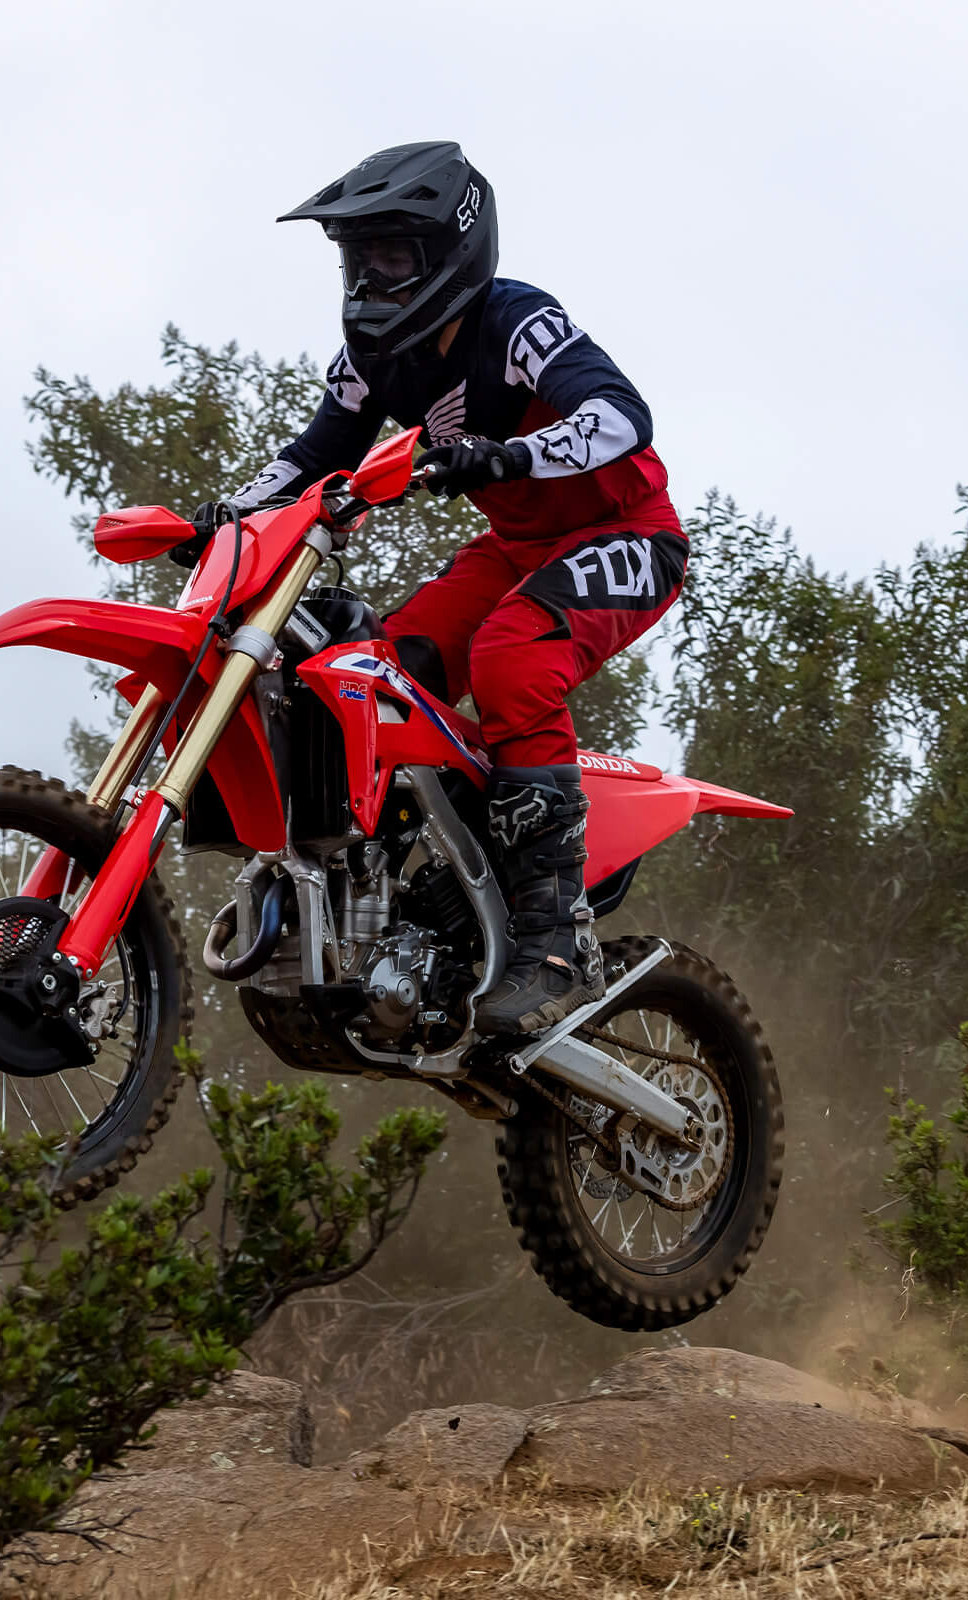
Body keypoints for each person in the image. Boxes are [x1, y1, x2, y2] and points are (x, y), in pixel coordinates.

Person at [192, 140, 685, 1035]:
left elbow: (621, 415)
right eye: (357, 259)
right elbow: (313, 457)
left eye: (390, 257)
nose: (369, 279)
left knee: (510, 654)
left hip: (628, 533)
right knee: (379, 671)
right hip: (520, 545)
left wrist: (514, 452)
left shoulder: (519, 324)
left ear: (451, 249)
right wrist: (224, 515)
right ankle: (431, 909)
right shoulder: (378, 357)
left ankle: (552, 938)